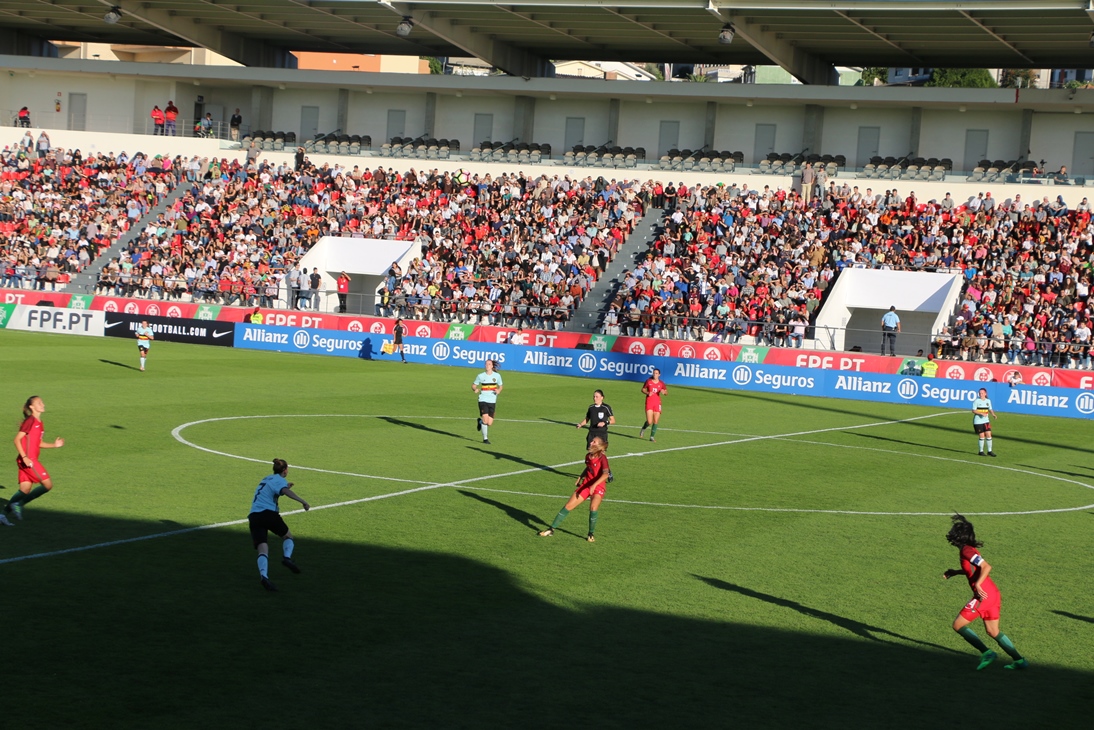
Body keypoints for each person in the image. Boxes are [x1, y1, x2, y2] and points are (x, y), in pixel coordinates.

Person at [943, 514, 1028, 670]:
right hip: (993, 594)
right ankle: (1020, 661)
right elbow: (973, 570)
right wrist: (956, 572)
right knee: (993, 631)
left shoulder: (967, 551)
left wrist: (979, 585)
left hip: (984, 596)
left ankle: (987, 653)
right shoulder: (968, 550)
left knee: (958, 625)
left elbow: (986, 567)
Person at [249, 458, 310, 591]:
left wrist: (285, 486)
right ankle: (287, 558)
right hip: (268, 514)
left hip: (254, 516)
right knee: (288, 537)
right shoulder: (280, 481)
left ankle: (264, 577)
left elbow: (272, 491)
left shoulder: (266, 479)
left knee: (262, 548)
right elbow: (285, 492)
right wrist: (303, 501)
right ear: (285, 470)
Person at [4, 396, 64, 524]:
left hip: (26, 460)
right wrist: (25, 457)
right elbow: (17, 440)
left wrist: (54, 445)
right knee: (48, 485)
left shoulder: (39, 423)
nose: (42, 404)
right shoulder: (30, 421)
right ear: (32, 407)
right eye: (39, 403)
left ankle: (2, 515)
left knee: (25, 490)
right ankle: (18, 504)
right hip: (29, 460)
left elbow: (38, 443)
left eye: (42, 402)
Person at [538, 436, 610, 542]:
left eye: (593, 441)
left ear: (598, 445)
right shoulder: (588, 456)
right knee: (568, 506)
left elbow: (606, 474)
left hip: (598, 486)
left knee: (593, 508)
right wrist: (580, 477)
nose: (591, 442)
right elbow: (588, 467)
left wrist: (594, 485)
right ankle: (551, 529)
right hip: (586, 485)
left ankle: (591, 534)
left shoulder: (602, 458)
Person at [472, 359, 503, 445]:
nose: (487, 365)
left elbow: (500, 386)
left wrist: (499, 390)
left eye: (489, 364)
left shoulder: (497, 376)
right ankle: (485, 439)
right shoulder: (480, 376)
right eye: (486, 364)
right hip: (483, 400)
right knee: (485, 420)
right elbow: (474, 385)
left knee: (489, 423)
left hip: (492, 400)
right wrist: (475, 389)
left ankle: (480, 422)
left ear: (492, 366)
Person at [639, 368, 667, 441]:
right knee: (649, 421)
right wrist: (648, 393)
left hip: (657, 403)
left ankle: (652, 437)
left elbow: (666, 392)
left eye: (656, 373)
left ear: (659, 375)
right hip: (649, 402)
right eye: (654, 373)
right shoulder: (648, 381)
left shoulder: (661, 383)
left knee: (656, 421)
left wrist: (664, 392)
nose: (655, 374)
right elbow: (643, 389)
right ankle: (643, 429)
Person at [972, 387, 997, 457]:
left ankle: (989, 451)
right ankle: (981, 451)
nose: (981, 394)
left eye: (982, 393)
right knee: (982, 436)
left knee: (989, 434)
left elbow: (990, 409)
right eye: (980, 393)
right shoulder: (976, 401)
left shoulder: (988, 401)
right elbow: (973, 410)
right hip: (978, 422)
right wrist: (981, 413)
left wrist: (993, 414)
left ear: (985, 394)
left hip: (986, 421)